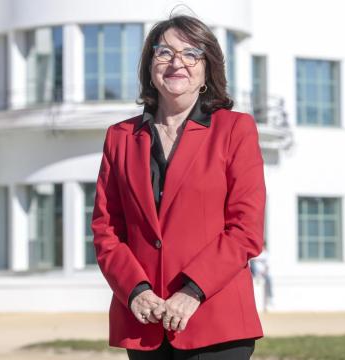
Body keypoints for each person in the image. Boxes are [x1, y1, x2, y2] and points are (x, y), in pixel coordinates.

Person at [91, 14, 266, 360]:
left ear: (207, 69)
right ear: (149, 65)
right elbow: (106, 229)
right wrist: (135, 291)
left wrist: (192, 291)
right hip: (145, 320)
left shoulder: (235, 130)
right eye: (164, 52)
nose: (177, 62)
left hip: (215, 319)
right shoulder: (120, 138)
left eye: (191, 54)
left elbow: (245, 229)